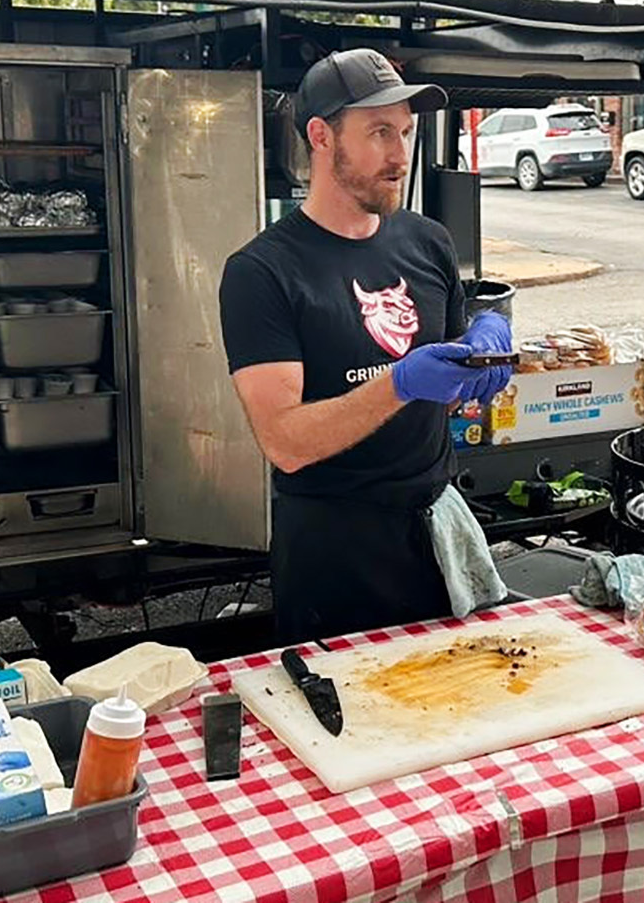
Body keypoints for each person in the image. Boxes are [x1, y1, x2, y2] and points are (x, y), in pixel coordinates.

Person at [219, 48, 514, 643]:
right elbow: (285, 443)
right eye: (380, 132)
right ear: (322, 136)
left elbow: (449, 394)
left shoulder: (428, 242)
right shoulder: (262, 272)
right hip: (336, 558)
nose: (400, 155)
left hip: (437, 537)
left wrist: (482, 355)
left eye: (405, 132)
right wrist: (400, 382)